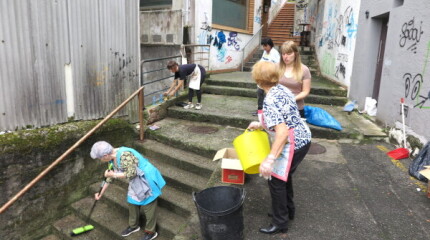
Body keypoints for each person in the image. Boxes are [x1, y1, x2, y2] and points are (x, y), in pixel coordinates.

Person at [247, 61, 311, 235]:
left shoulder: (269, 99)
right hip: (303, 137)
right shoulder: (282, 89)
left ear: (258, 80)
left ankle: (280, 222)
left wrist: (270, 159)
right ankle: (286, 211)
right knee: (284, 176)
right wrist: (261, 124)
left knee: (276, 179)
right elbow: (285, 116)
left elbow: (282, 132)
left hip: (293, 142)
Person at [90, 141, 166, 240]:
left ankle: (150, 232)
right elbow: (109, 177)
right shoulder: (111, 159)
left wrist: (113, 175)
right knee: (132, 202)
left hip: (146, 179)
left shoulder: (125, 155)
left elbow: (131, 173)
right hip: (135, 181)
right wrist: (100, 193)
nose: (100, 160)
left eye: (99, 158)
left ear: (105, 155)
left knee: (149, 206)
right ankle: (133, 226)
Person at [278, 40, 311, 118]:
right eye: (283, 54)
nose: (285, 57)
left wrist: (292, 99)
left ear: (295, 54)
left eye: (289, 54)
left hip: (296, 108)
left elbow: (306, 91)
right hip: (279, 108)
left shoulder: (304, 70)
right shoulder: (277, 67)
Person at [254, 38, 280, 116]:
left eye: (265, 46)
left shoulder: (275, 53)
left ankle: (266, 111)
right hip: (263, 77)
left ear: (270, 45)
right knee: (259, 92)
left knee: (267, 95)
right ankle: (259, 110)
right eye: (263, 46)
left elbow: (277, 65)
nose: (264, 48)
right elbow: (261, 61)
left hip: (270, 78)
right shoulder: (265, 52)